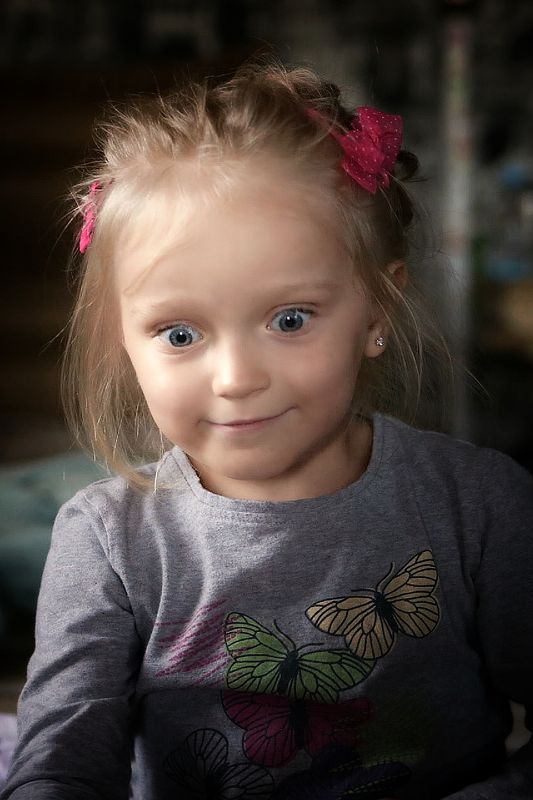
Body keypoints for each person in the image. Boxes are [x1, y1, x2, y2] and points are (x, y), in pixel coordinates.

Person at [2, 59, 532, 800]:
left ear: (376, 312)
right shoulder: (105, 542)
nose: (234, 378)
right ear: (122, 338)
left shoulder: (477, 505)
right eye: (179, 333)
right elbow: (60, 764)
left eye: (289, 320)